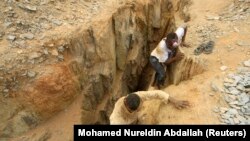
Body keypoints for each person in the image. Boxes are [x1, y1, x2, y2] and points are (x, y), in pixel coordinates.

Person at [109, 90, 189, 124]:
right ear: (129, 108)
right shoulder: (116, 120)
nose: (141, 109)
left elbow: (156, 93)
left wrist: (174, 101)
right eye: (138, 109)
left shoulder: (137, 96)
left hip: (133, 118)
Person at [149, 24, 189, 89]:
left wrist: (183, 41)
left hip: (166, 54)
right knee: (162, 73)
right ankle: (158, 86)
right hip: (154, 58)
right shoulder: (162, 47)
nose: (170, 47)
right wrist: (176, 58)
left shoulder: (177, 36)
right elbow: (165, 62)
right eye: (169, 46)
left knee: (171, 54)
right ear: (166, 41)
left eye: (172, 46)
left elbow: (184, 26)